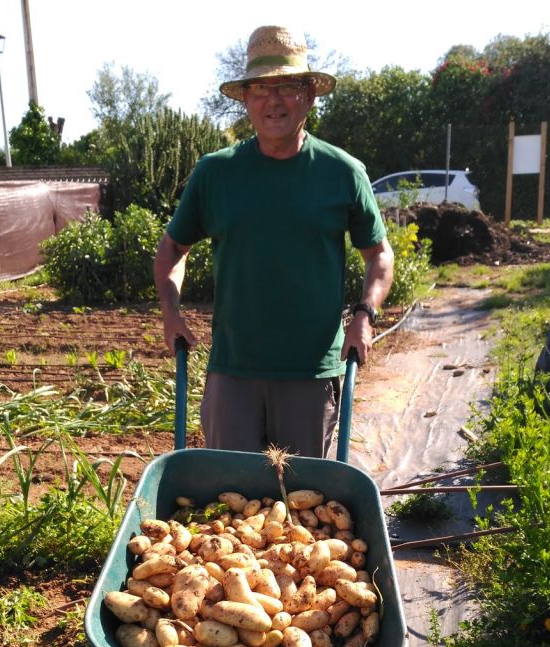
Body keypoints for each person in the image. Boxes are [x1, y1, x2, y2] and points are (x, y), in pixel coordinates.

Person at [153, 25, 394, 458]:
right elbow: (173, 248)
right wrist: (171, 314)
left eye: (287, 87)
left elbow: (378, 254)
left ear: (310, 96)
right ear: (246, 100)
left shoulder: (341, 172)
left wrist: (364, 315)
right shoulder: (216, 173)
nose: (274, 101)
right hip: (233, 374)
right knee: (230, 492)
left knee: (304, 495)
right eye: (261, 89)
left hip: (310, 374)